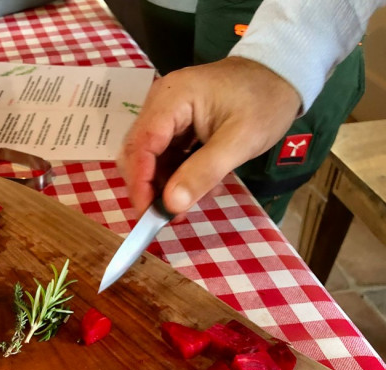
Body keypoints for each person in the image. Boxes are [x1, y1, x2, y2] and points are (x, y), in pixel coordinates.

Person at [120, 0, 386, 222]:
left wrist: (283, 55)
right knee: (171, 145)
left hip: (285, 23)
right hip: (170, 12)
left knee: (257, 194)